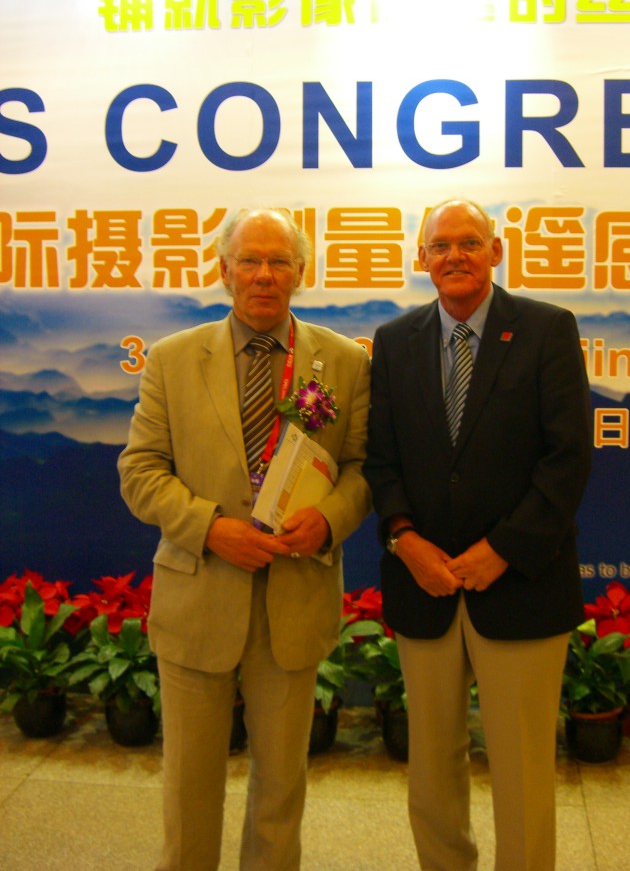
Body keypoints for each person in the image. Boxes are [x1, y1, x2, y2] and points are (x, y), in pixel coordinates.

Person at [118, 208, 371, 871]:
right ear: (224, 269)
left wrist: (329, 519)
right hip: (199, 597)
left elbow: (362, 469)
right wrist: (210, 528)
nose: (264, 274)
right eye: (249, 260)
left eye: (278, 261)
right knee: (189, 787)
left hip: (295, 597)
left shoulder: (344, 362)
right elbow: (140, 473)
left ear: (300, 271)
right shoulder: (173, 359)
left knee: (281, 788)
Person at [364, 197, 592, 871]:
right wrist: (404, 539)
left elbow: (568, 458)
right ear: (422, 258)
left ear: (496, 251)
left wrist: (503, 550)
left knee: (522, 770)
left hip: (521, 584)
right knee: (431, 767)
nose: (454, 256)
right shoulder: (395, 340)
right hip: (424, 584)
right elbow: (380, 458)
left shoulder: (546, 329)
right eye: (440, 245)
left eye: (469, 242)